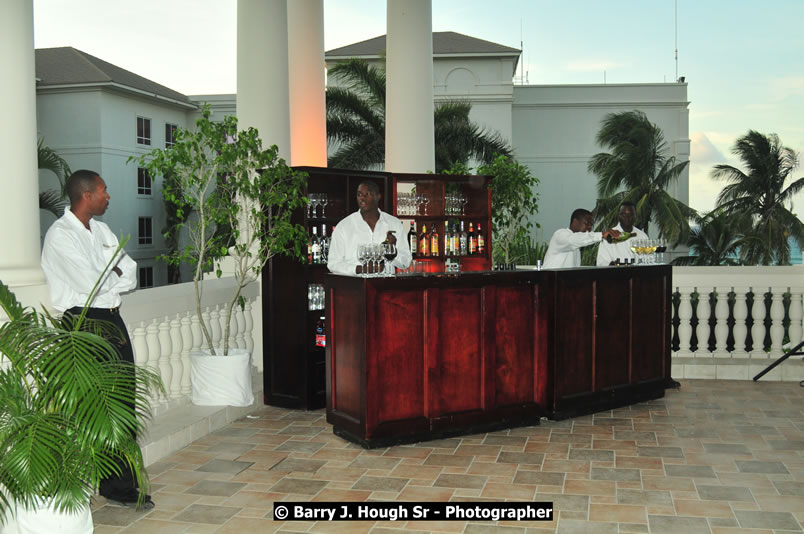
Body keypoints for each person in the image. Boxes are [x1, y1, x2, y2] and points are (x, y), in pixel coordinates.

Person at [41, 170, 154, 510]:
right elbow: (93, 283)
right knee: (92, 406)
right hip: (82, 323)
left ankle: (120, 485)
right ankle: (89, 482)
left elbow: (129, 271)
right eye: (104, 191)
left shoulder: (102, 230)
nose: (108, 197)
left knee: (122, 403)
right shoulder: (60, 236)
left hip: (112, 320)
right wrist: (112, 275)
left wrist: (112, 276)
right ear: (87, 195)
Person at [327, 181, 412, 274]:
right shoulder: (344, 227)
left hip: (385, 286)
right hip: (356, 286)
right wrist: (361, 269)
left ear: (378, 197)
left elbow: (406, 262)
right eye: (359, 194)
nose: (362, 198)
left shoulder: (394, 224)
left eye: (367, 194)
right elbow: (333, 264)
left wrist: (392, 251)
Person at [542, 208, 620, 269]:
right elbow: (574, 240)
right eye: (586, 224)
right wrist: (601, 235)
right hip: (551, 285)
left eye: (591, 225)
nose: (589, 227)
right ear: (575, 222)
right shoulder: (560, 235)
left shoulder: (577, 245)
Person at [596, 201, 648, 266]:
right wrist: (612, 265)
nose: (627, 217)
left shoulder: (642, 236)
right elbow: (601, 263)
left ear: (635, 216)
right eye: (623, 214)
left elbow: (648, 260)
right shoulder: (609, 235)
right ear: (618, 216)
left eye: (630, 214)